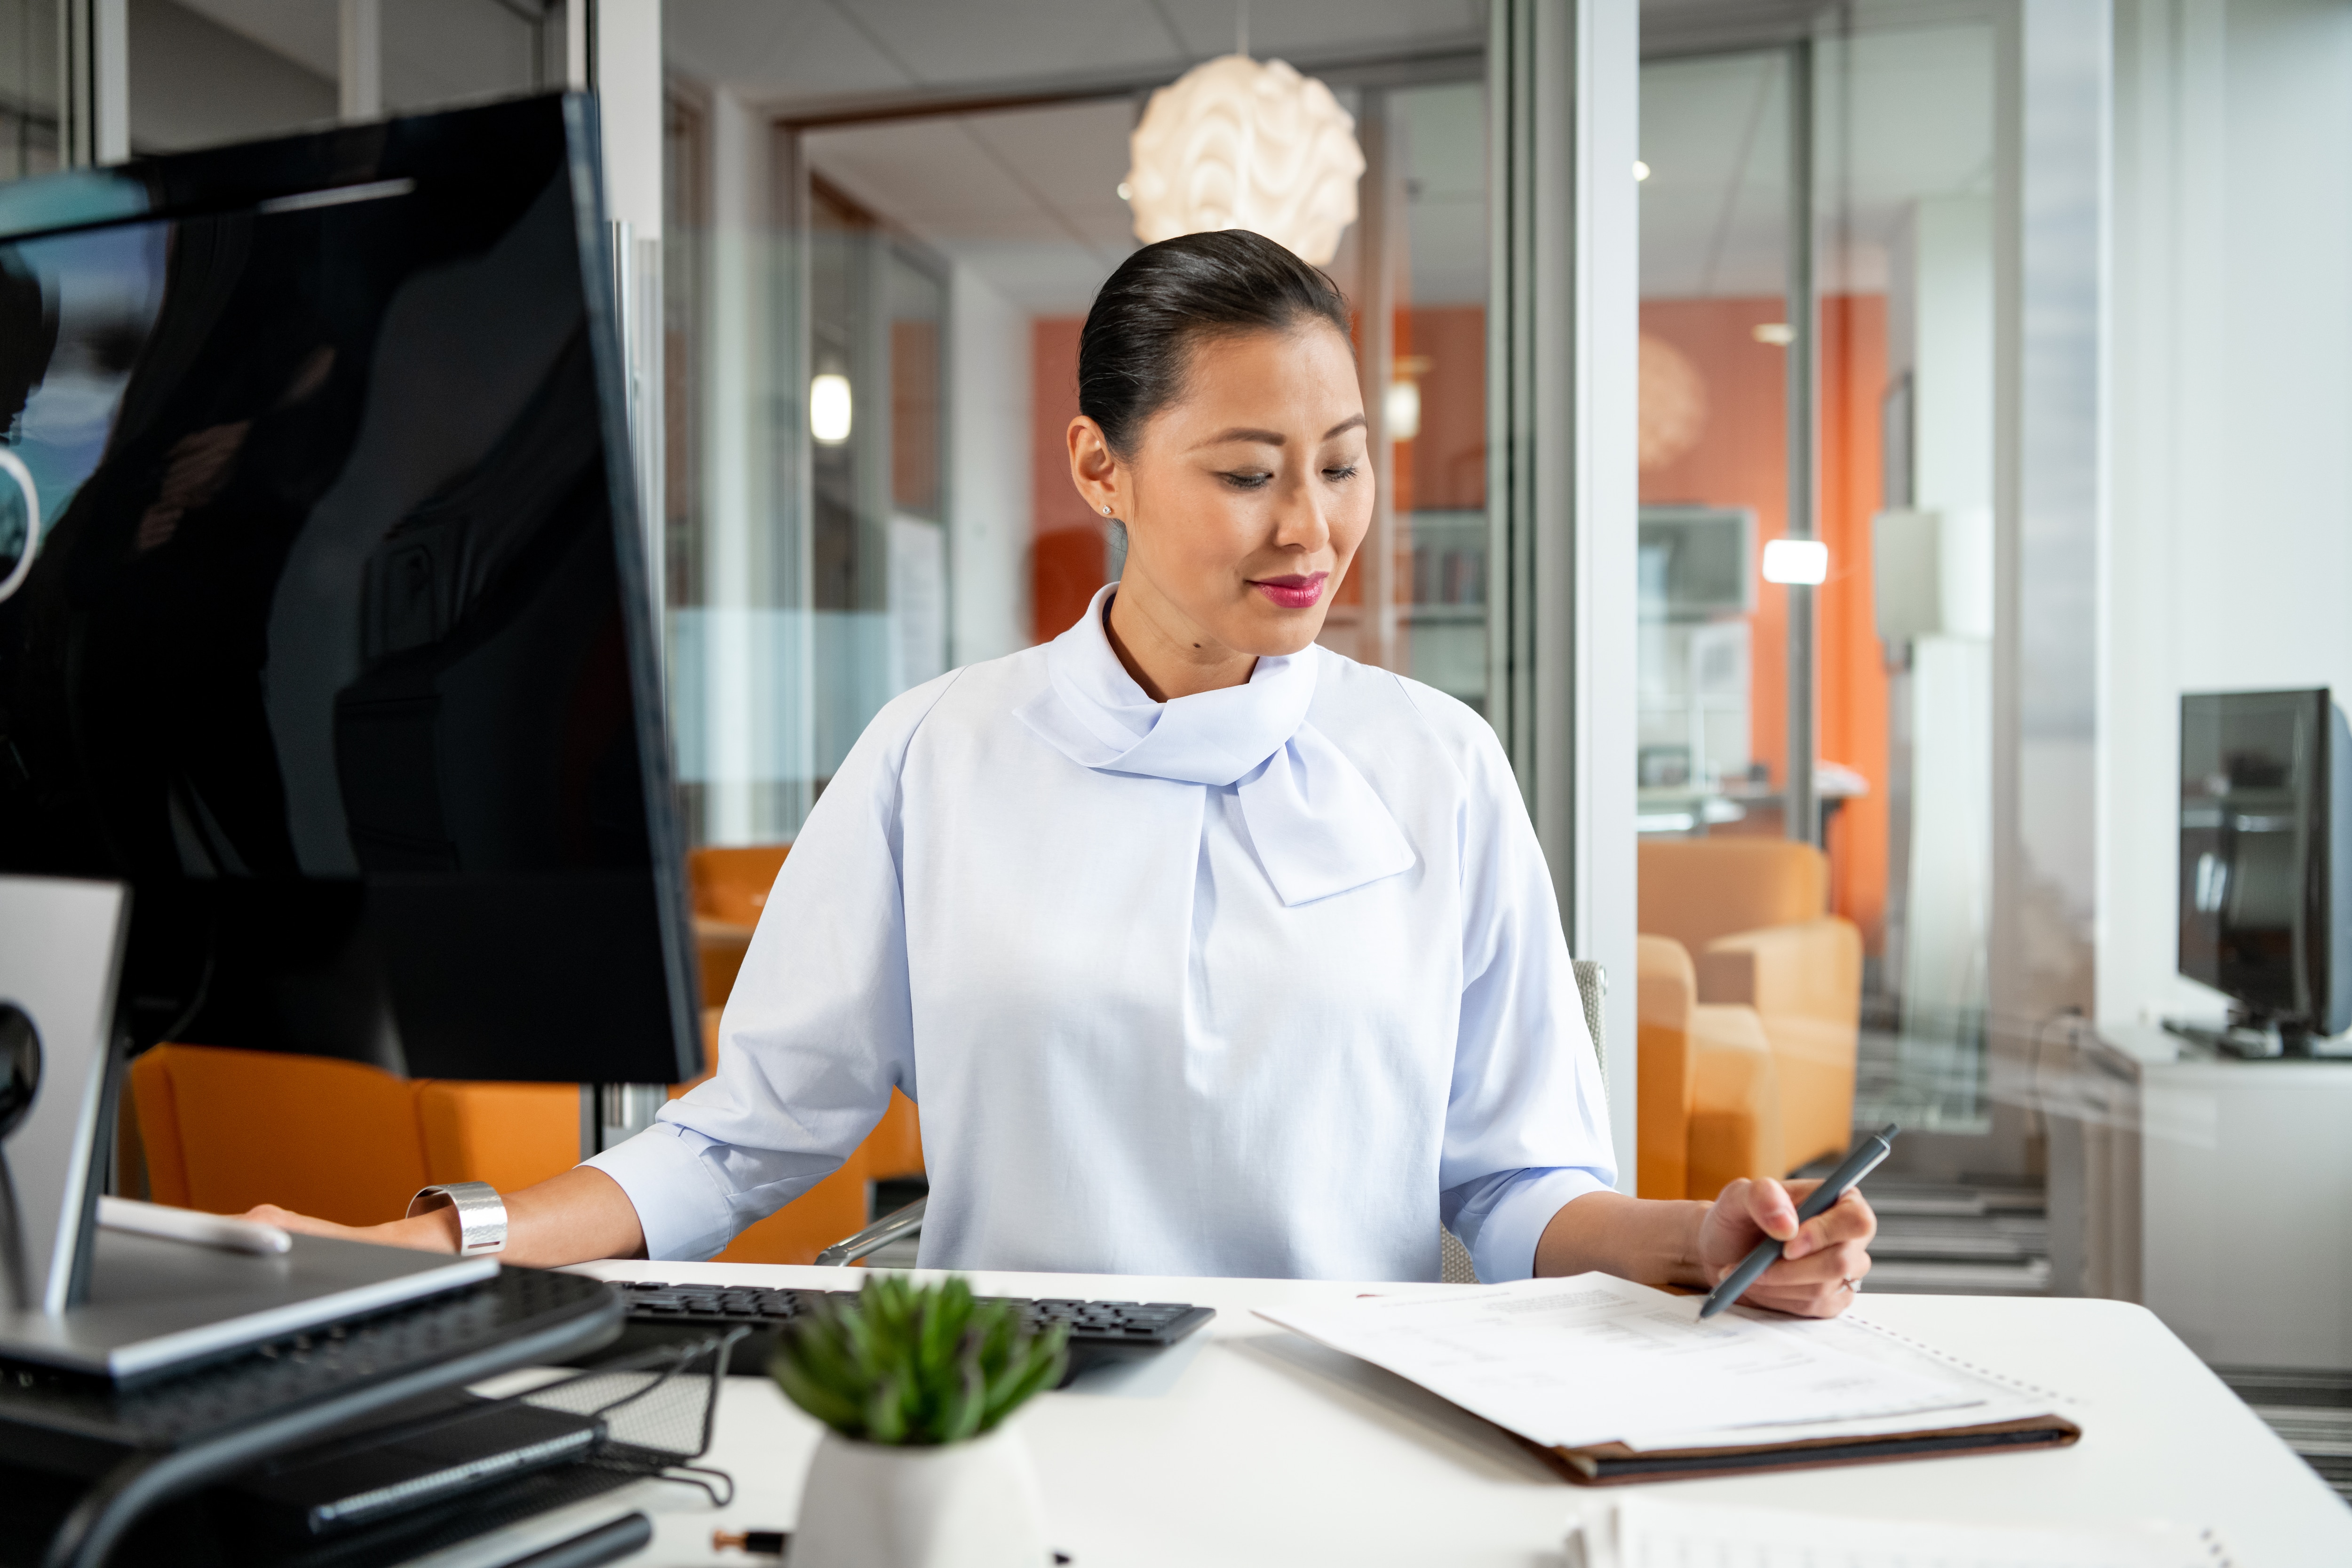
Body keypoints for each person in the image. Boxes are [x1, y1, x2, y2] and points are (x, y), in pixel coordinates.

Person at [253, 230, 1875, 1313]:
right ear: (1099, 463)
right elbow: (742, 1137)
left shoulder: (1439, 766)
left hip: (1360, 1432)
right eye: (1245, 473)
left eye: (1339, 465)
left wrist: (1693, 1243)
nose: (1309, 530)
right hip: (1013, 1423)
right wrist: (433, 1249)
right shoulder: (934, 753)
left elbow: (1518, 1184)